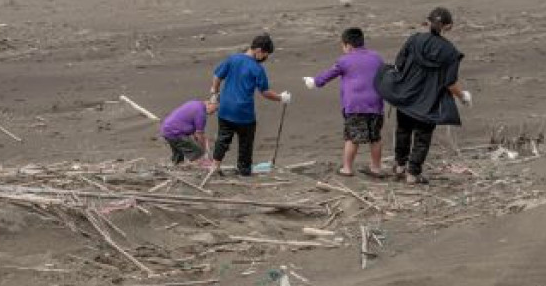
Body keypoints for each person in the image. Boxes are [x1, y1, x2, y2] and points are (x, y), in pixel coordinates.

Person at [375, 7, 471, 185]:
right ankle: (413, 173)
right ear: (448, 26)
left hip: (407, 95)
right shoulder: (450, 52)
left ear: (428, 22)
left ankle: (399, 165)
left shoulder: (415, 40)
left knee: (403, 130)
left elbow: (399, 64)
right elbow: (450, 82)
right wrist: (463, 96)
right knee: (422, 137)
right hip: (429, 101)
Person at [303, 27, 386, 177]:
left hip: (355, 105)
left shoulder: (344, 60)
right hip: (375, 103)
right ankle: (376, 167)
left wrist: (314, 81)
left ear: (348, 45)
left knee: (352, 137)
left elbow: (327, 76)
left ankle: (347, 168)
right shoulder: (377, 57)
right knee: (375, 137)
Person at [209, 34, 291, 176]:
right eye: (265, 54)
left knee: (223, 138)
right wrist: (281, 98)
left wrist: (215, 93)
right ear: (258, 50)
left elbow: (217, 76)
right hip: (244, 112)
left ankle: (215, 166)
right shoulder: (257, 69)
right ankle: (244, 169)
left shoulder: (232, 59)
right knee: (246, 142)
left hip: (225, 109)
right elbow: (265, 92)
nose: (265, 57)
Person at [160, 97, 217, 165]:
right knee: (197, 152)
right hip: (175, 132)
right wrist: (204, 149)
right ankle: (205, 166)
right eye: (215, 109)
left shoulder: (195, 103)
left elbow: (195, 133)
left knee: (179, 153)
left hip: (167, 129)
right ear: (209, 103)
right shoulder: (201, 113)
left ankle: (176, 165)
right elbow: (199, 134)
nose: (213, 112)